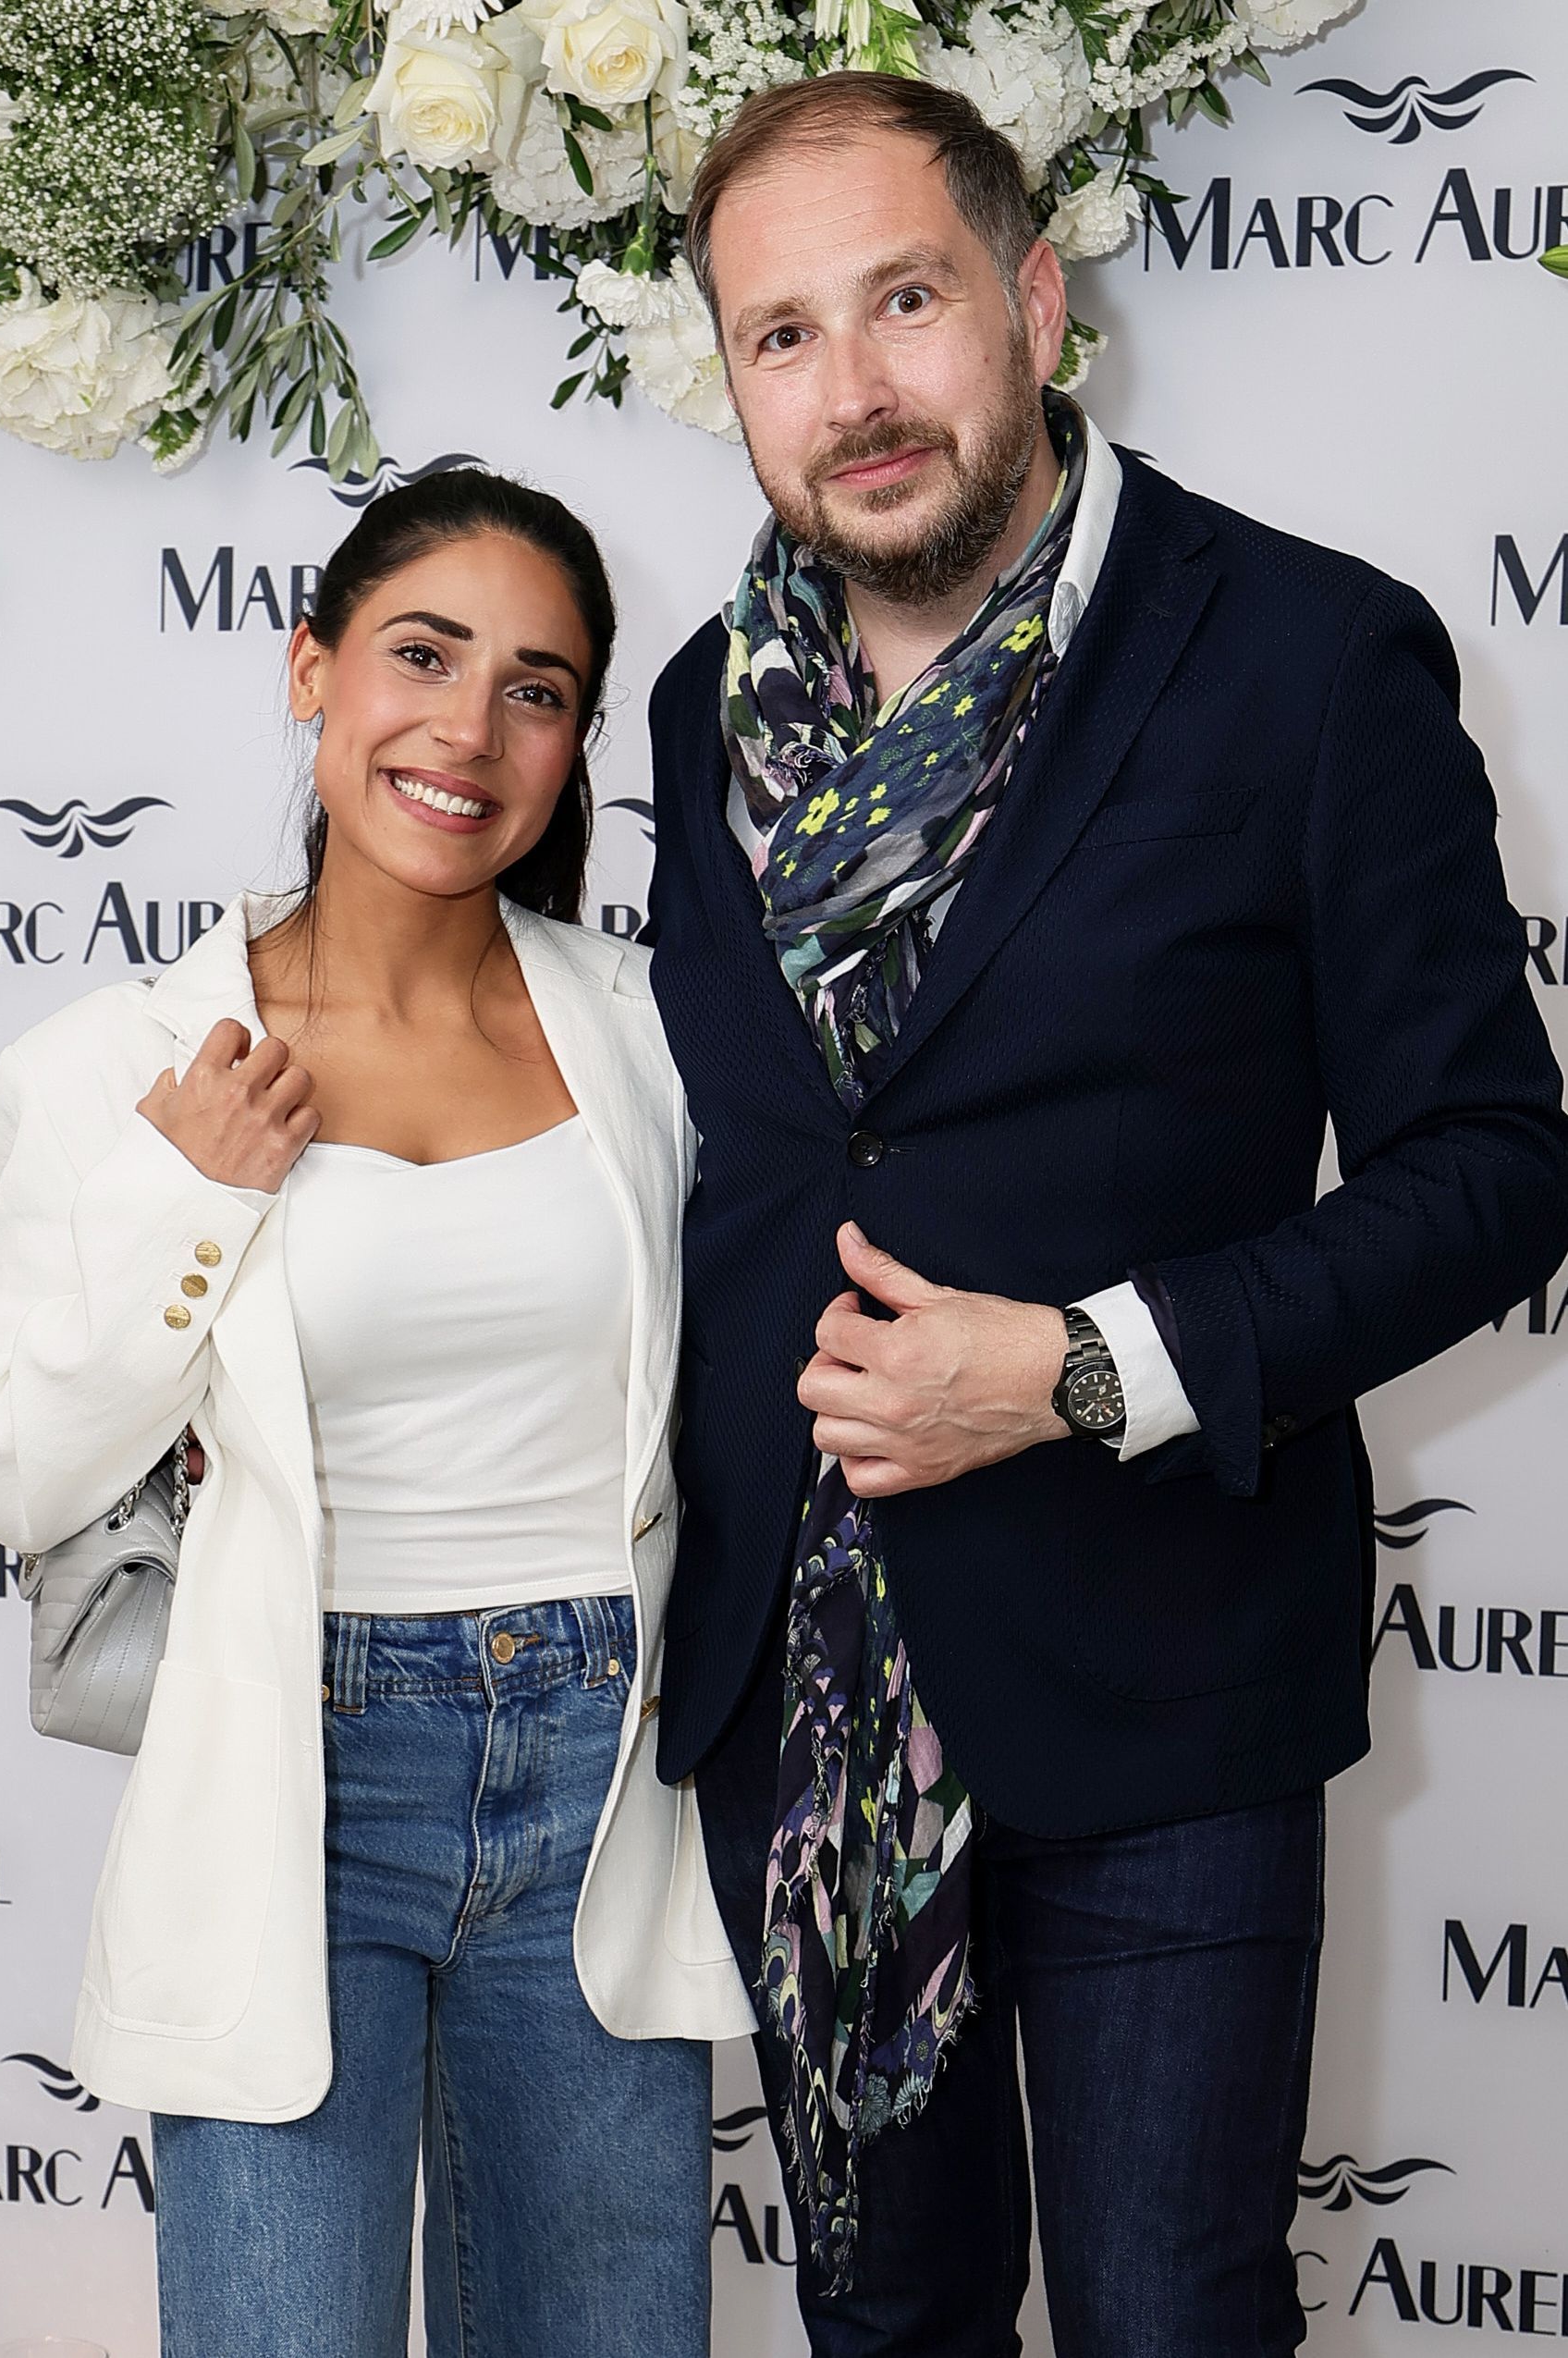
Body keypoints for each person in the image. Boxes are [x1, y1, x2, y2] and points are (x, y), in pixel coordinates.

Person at [643, 71, 1568, 2358]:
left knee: (1170, 2319)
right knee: (888, 2327)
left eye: (906, 301)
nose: (853, 392)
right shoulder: (699, 707)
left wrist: (1079, 1368)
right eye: (781, 335)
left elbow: (1495, 1169)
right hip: (802, 1705)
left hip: (1166, 1691)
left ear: (1037, 302)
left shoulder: (1305, 657)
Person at [0, 467, 753, 2358]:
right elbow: (13, 1471)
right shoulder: (117, 1064)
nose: (469, 730)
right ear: (311, 668)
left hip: (601, 1778)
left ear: (575, 743)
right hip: (292, 1776)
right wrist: (195, 1193)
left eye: (537, 689)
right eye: (423, 655)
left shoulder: (654, 1031)